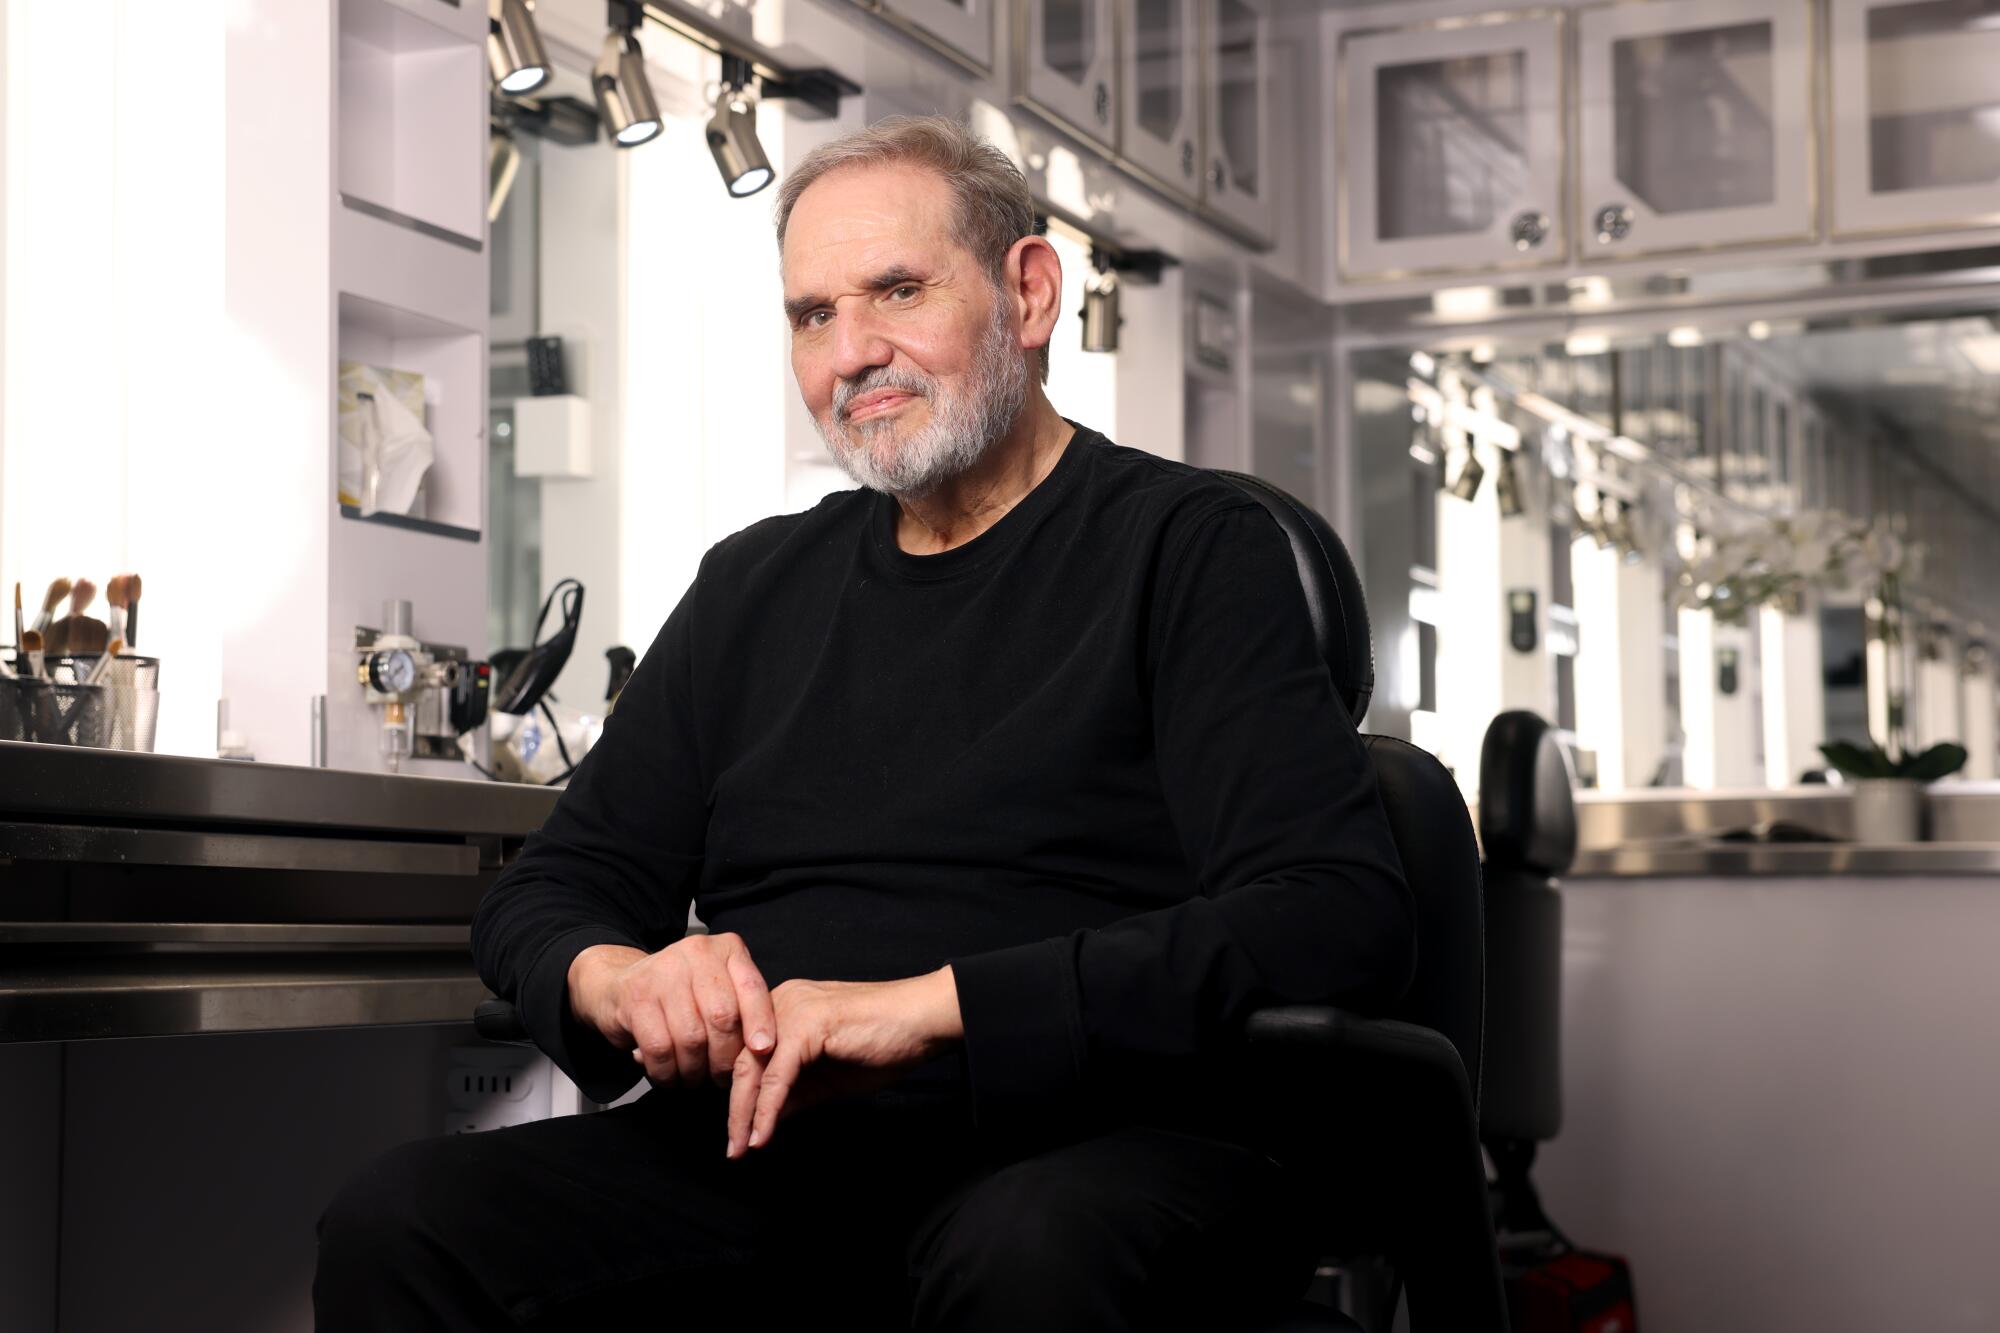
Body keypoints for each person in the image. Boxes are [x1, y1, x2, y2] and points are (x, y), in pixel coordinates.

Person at [313, 115, 1413, 1331]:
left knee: (1024, 1252)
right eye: (811, 315)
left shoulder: (1189, 551)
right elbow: (551, 888)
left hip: (1090, 1144)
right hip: (774, 1155)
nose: (851, 353)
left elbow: (1332, 911)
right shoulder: (751, 587)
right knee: (402, 1220)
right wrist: (619, 978)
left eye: (897, 290)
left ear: (1028, 293)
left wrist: (924, 1009)